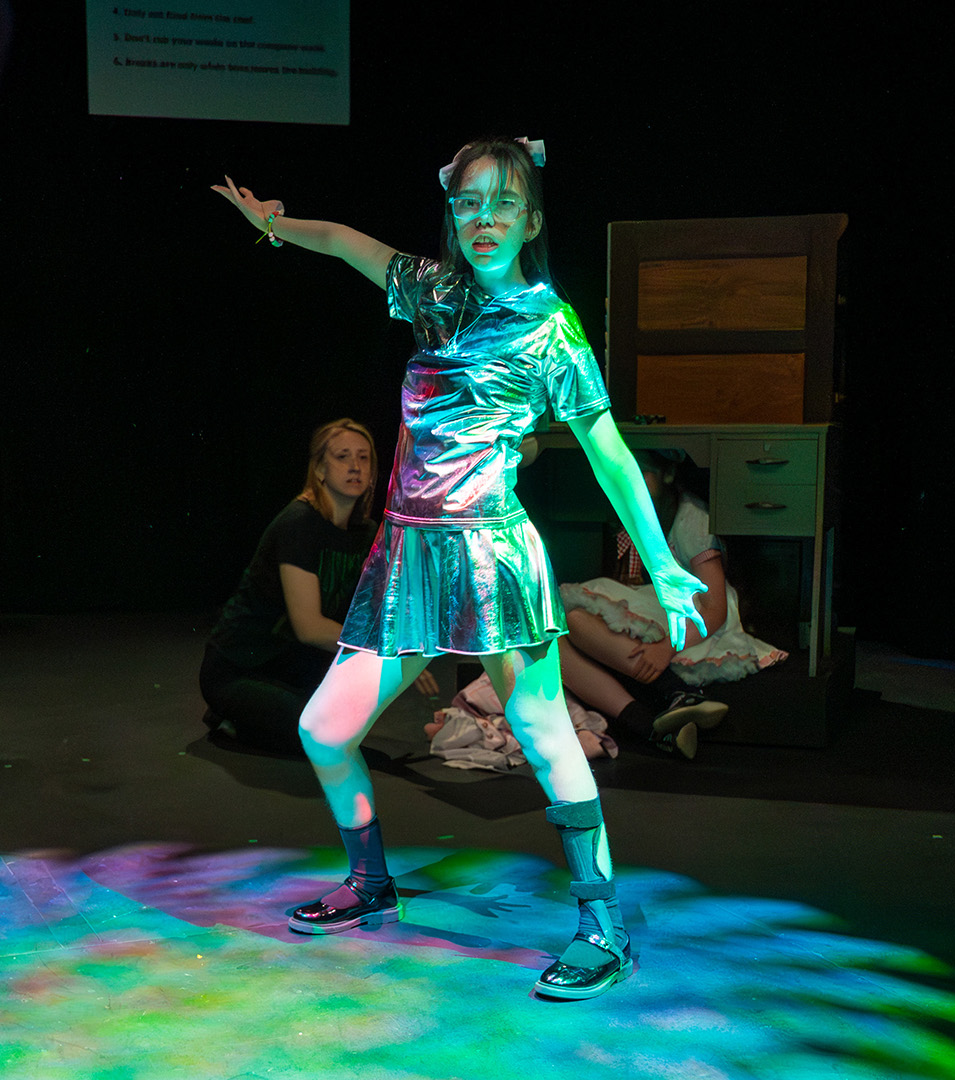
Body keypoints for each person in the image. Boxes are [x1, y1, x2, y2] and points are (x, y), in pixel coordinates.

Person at [211, 136, 707, 1000]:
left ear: (532, 220)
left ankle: (602, 926)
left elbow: (609, 451)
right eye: (470, 203)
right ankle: (371, 887)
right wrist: (276, 225)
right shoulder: (430, 291)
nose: (485, 219)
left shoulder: (552, 327)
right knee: (325, 730)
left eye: (503, 204)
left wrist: (662, 563)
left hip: (491, 553)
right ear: (454, 212)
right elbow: (348, 243)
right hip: (408, 551)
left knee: (546, 731)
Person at [201, 419, 439, 756]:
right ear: (320, 470)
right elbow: (309, 628)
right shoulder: (298, 525)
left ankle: (258, 718)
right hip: (241, 669)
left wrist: (405, 645)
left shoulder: (367, 533)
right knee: (329, 735)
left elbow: (382, 606)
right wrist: (386, 653)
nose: (355, 466)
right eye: (342, 457)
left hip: (295, 670)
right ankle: (237, 717)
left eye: (364, 458)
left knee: (341, 720)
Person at [556, 452, 787, 758]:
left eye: (643, 473)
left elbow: (714, 609)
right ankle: (650, 725)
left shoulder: (693, 519)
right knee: (556, 641)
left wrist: (667, 647)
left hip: (697, 615)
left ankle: (679, 691)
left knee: (575, 620)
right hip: (659, 603)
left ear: (667, 474)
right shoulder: (636, 510)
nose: (633, 482)